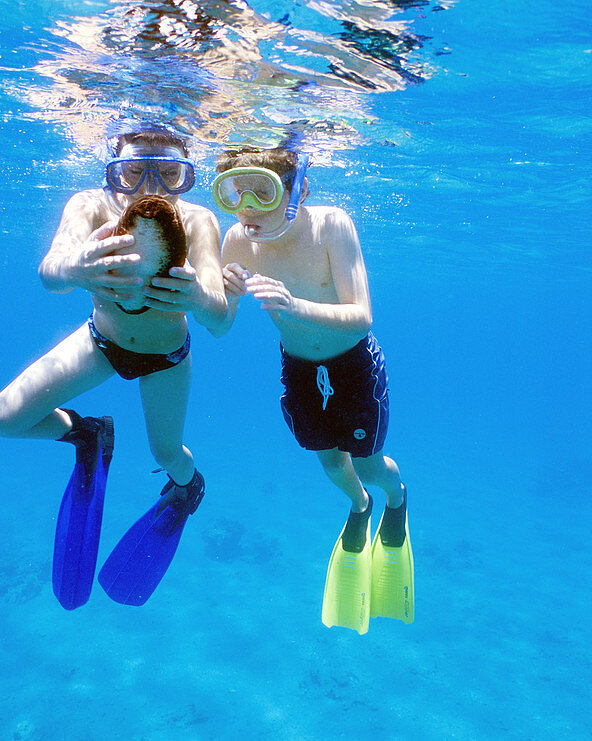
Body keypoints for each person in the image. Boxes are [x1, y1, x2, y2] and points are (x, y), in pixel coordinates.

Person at [0, 128, 227, 609]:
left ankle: (188, 488)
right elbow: (49, 271)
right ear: (111, 170)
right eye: (134, 171)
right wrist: (75, 268)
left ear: (186, 178)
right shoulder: (91, 206)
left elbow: (219, 318)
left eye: (170, 173)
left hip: (166, 356)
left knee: (168, 454)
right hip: (101, 343)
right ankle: (87, 435)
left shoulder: (199, 220)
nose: (150, 186)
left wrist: (200, 296)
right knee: (4, 418)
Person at [211, 146, 413, 634]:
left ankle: (396, 496)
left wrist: (293, 304)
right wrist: (223, 293)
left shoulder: (331, 226)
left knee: (365, 461)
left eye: (264, 190)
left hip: (354, 364)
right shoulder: (237, 239)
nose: (248, 209)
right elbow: (218, 327)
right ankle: (360, 506)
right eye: (235, 193)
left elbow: (362, 314)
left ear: (298, 187)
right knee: (327, 459)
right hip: (299, 367)